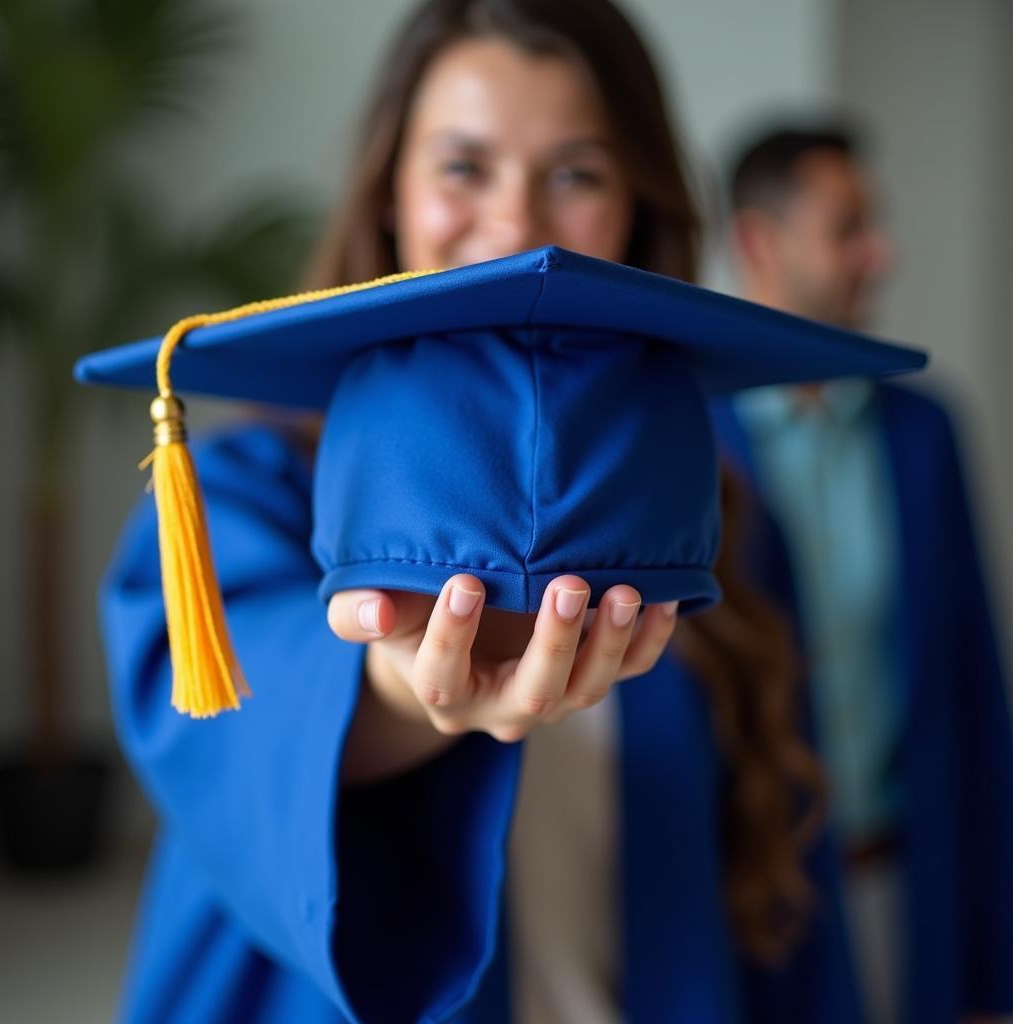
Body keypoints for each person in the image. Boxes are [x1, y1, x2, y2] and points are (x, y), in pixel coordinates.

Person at [96, 6, 875, 1022]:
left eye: (576, 173)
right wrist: (395, 684)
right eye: (463, 167)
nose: (513, 225)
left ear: (638, 207)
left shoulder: (706, 518)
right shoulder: (245, 489)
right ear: (389, 199)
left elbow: (787, 877)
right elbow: (225, 738)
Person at [716, 124, 1013, 1023]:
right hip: (751, 907)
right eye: (848, 227)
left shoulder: (926, 434)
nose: (879, 254)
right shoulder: (689, 443)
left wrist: (993, 962)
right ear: (759, 243)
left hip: (907, 887)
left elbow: (973, 691)